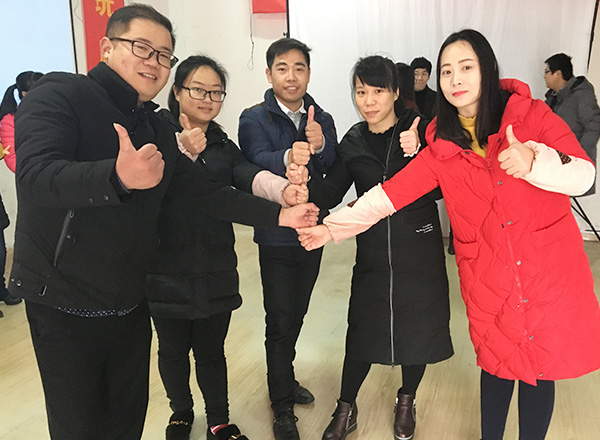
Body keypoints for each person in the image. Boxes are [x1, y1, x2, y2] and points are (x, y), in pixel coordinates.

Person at [10, 5, 318, 440]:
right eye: (142, 48)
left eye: (163, 55)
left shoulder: (153, 126)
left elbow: (205, 191)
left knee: (126, 418)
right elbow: (36, 176)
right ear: (106, 47)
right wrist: (116, 176)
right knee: (78, 424)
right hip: (63, 300)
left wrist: (280, 214)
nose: (153, 62)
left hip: (130, 298)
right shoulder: (61, 93)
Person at [297, 29, 600, 440]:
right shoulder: (441, 145)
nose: (456, 79)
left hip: (543, 270)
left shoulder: (531, 116)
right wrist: (329, 229)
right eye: (447, 71)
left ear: (487, 69)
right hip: (489, 276)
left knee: (539, 370)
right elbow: (388, 196)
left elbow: (584, 175)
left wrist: (535, 160)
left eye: (466, 67)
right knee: (497, 365)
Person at [147, 55, 308, 440]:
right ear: (177, 91)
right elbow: (151, 183)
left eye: (216, 92)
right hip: (163, 266)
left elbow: (247, 175)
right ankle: (180, 413)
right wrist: (179, 147)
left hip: (214, 264)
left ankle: (218, 420)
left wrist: (283, 192)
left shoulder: (221, 143)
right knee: (172, 350)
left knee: (211, 351)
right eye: (198, 90)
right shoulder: (155, 133)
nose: (207, 99)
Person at [299, 55, 452, 440]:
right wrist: (307, 171)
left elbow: (442, 188)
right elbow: (331, 191)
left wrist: (421, 151)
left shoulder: (418, 128)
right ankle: (345, 407)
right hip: (372, 250)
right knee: (363, 331)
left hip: (419, 247)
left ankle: (406, 400)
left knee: (418, 330)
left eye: (378, 91)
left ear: (396, 92)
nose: (368, 101)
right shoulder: (353, 140)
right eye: (361, 92)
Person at [238, 37, 338, 440]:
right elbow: (255, 158)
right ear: (269, 74)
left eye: (299, 68)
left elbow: (333, 166)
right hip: (275, 234)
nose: (291, 76)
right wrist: (289, 156)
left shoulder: (321, 118)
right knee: (279, 319)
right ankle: (281, 405)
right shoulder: (253, 117)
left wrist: (321, 144)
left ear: (309, 74)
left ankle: (285, 377)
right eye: (282, 68)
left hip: (311, 232)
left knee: (296, 313)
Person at [544, 52, 600, 195]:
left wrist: (579, 155)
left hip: (574, 163)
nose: (544, 76)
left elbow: (594, 125)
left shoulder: (581, 94)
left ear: (558, 73)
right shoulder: (553, 97)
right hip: (556, 160)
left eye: (547, 72)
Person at [0, 71, 44, 173]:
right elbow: (12, 159)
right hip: (34, 175)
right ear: (25, 94)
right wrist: (36, 173)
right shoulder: (10, 119)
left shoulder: (55, 111)